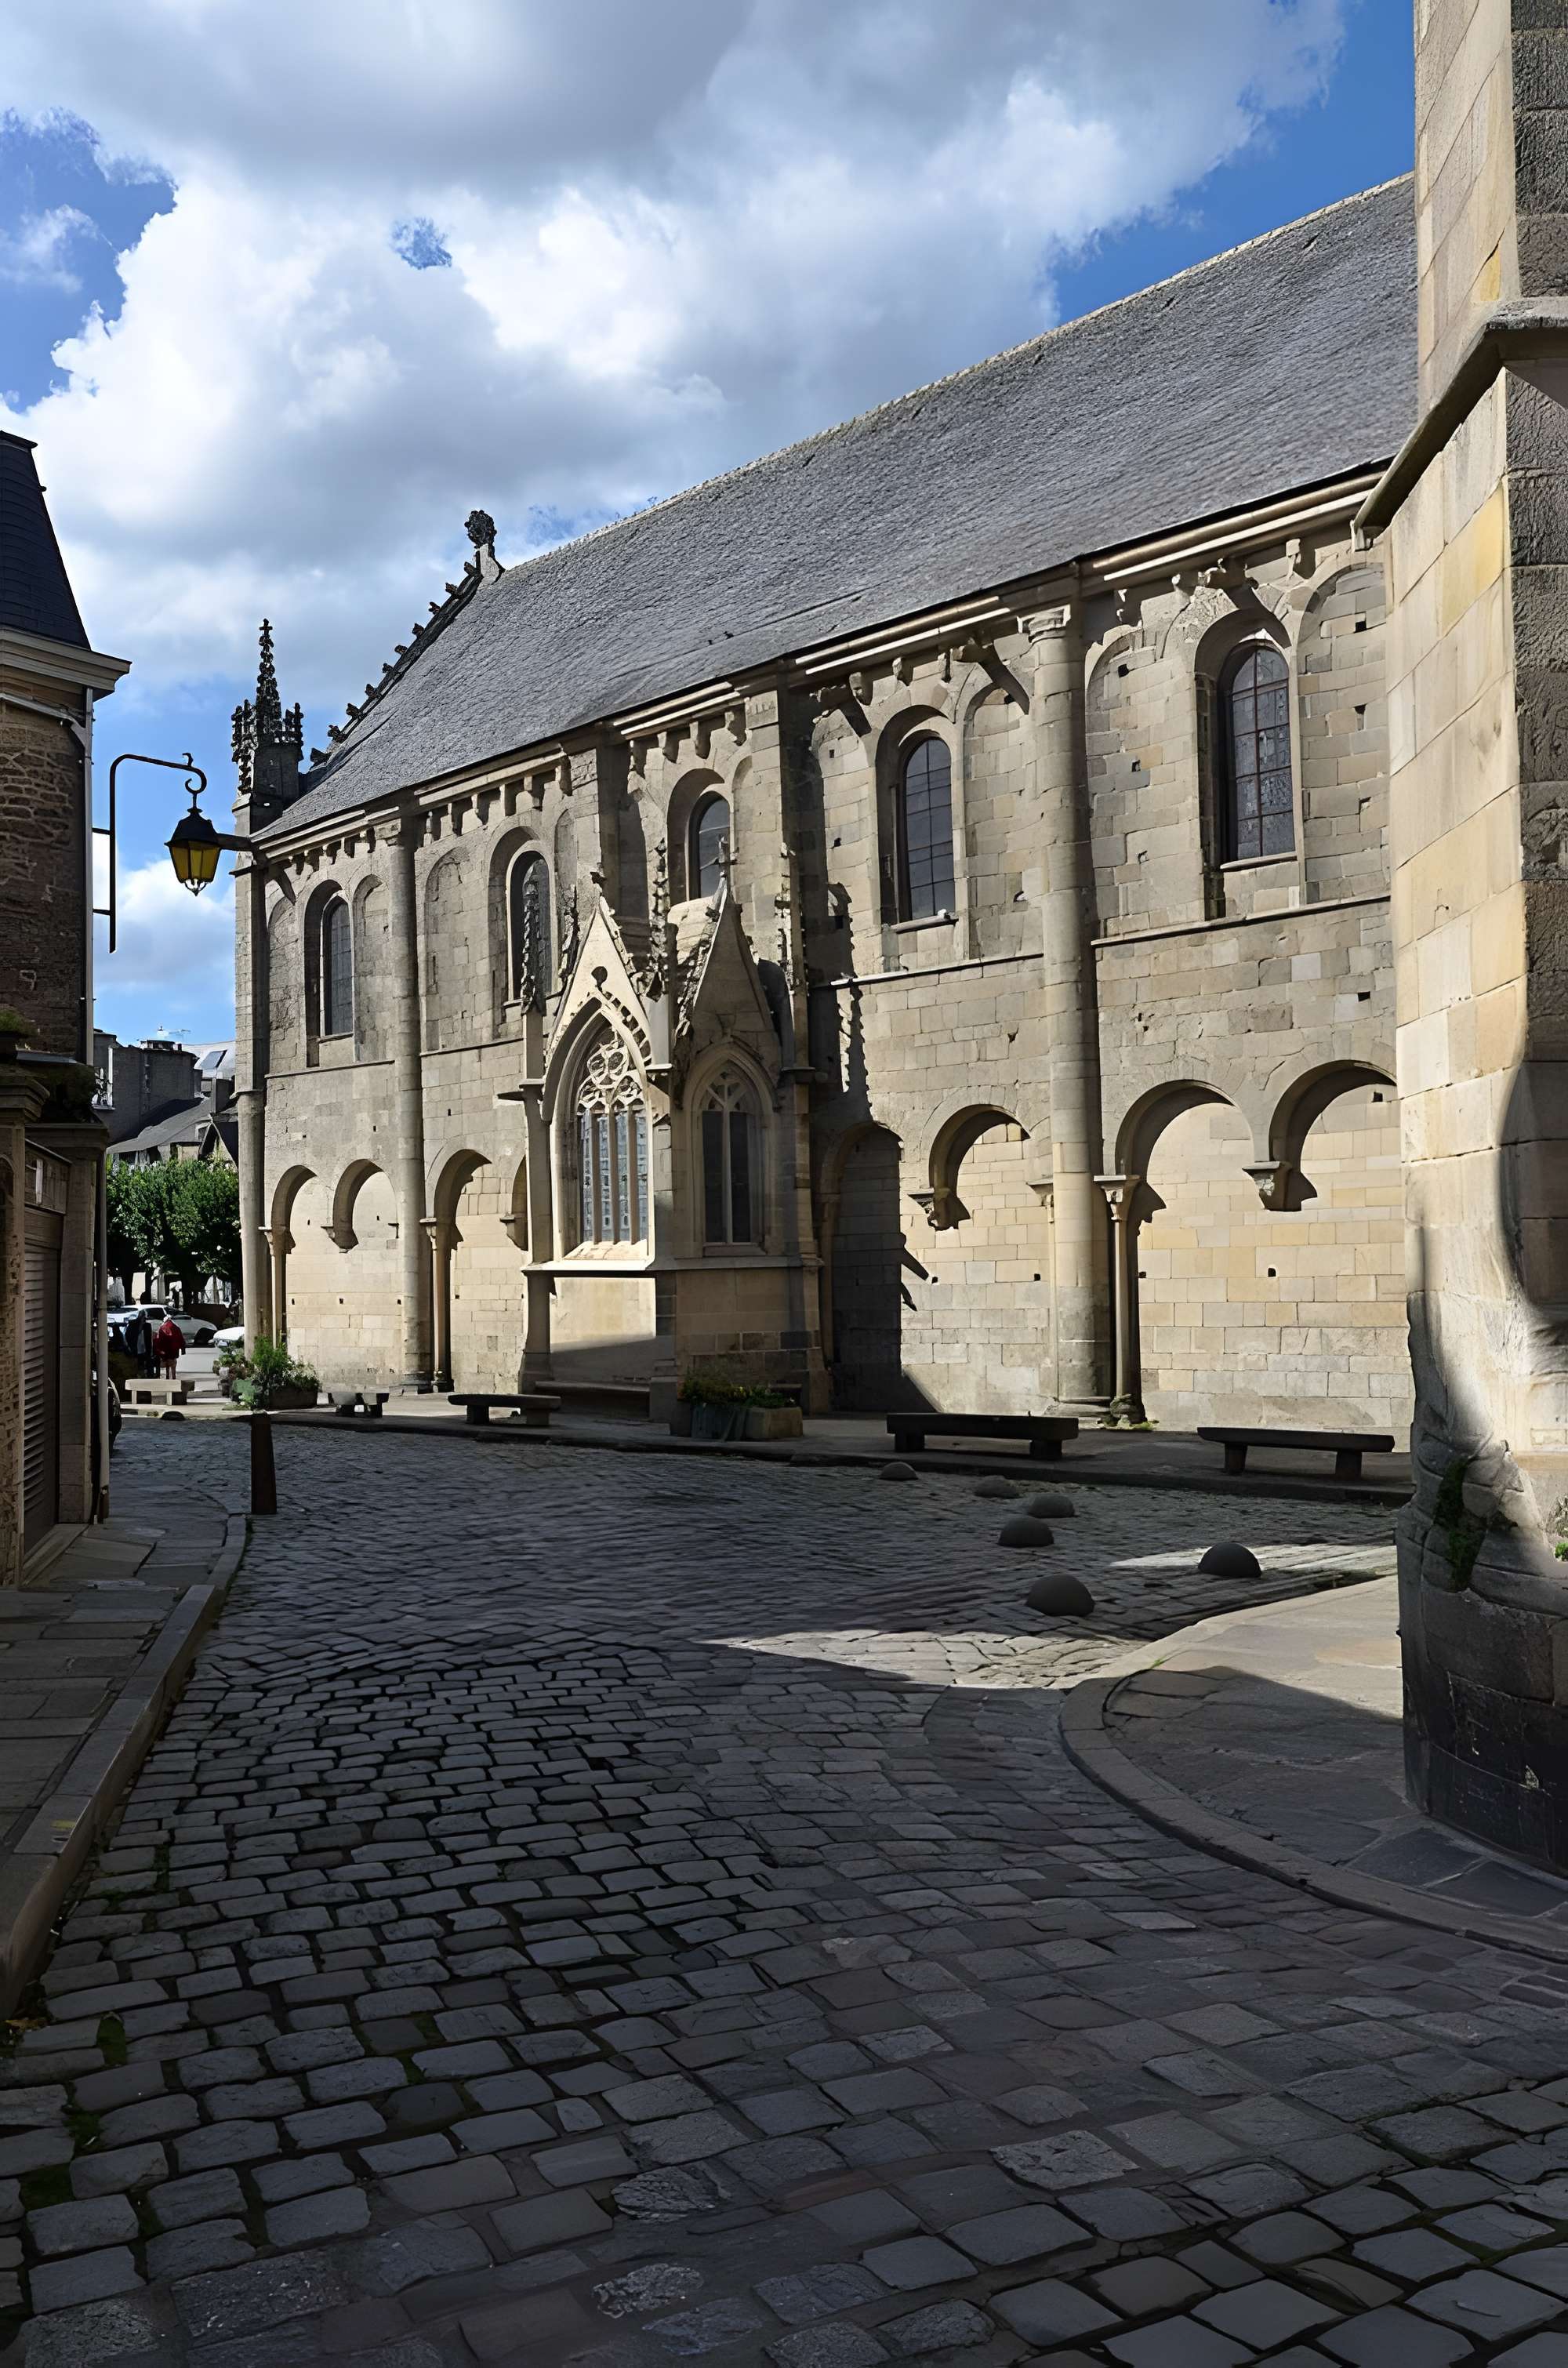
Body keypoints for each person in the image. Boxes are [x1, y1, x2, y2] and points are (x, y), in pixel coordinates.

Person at [154, 1314, 185, 1382]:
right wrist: (183, 1349)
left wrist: (158, 1350)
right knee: (173, 1364)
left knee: (167, 1363)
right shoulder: (176, 1327)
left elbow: (158, 1339)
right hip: (174, 1350)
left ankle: (167, 1376)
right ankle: (173, 1377)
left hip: (165, 1350)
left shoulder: (162, 1327)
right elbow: (181, 1339)